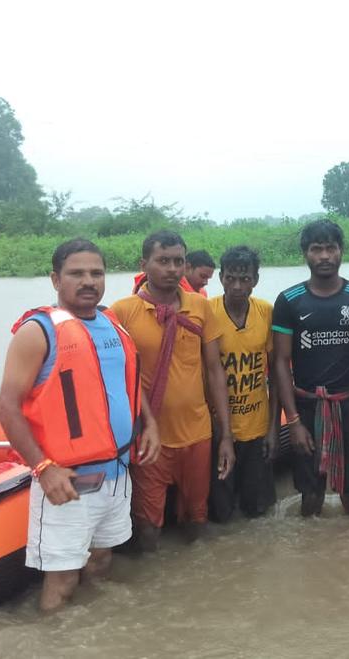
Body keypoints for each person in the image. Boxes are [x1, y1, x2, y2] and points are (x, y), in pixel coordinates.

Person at [0, 238, 160, 612]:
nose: (88, 281)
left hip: (118, 471)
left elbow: (129, 382)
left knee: (102, 560)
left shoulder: (112, 323)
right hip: (67, 479)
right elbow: (6, 406)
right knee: (63, 579)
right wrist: (43, 468)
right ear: (56, 279)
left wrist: (149, 423)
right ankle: (53, 638)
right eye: (76, 273)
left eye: (96, 273)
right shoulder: (38, 332)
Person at [111, 231, 233, 549]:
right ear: (144, 264)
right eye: (163, 261)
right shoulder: (122, 312)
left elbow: (213, 370)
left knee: (197, 519)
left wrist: (226, 435)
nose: (172, 269)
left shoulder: (199, 307)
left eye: (179, 261)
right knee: (147, 528)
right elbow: (116, 376)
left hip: (197, 432)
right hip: (151, 439)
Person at [272, 219, 349, 517]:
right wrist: (292, 422)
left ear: (341, 251)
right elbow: (281, 362)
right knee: (310, 498)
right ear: (305, 254)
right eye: (316, 249)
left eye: (330, 248)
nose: (324, 256)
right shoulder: (288, 301)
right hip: (306, 408)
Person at [208, 246, 279, 521]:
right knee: (220, 514)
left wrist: (274, 429)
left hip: (256, 427)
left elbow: (276, 373)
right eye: (230, 278)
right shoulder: (207, 311)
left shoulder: (266, 312)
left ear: (256, 280)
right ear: (221, 278)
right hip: (217, 428)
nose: (237, 286)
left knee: (258, 511)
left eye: (245, 279)